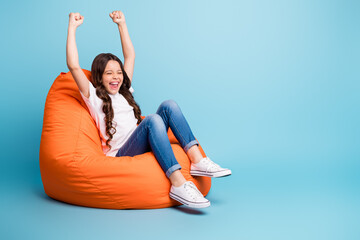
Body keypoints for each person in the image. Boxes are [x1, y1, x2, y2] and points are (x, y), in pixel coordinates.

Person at [66, 11, 231, 209]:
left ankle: (197, 160)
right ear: (99, 77)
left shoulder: (123, 90)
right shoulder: (94, 96)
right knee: (152, 120)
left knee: (169, 105)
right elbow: (73, 65)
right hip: (122, 152)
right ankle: (178, 183)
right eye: (109, 73)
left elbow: (130, 55)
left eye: (119, 72)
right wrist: (72, 28)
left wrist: (122, 24)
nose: (116, 77)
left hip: (140, 141)